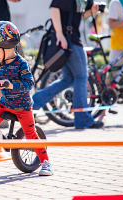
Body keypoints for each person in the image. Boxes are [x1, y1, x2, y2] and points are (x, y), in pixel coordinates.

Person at [0, 21, 53, 176]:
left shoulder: (22, 64)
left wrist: (10, 84)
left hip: (22, 106)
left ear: (8, 47)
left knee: (30, 134)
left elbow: (28, 84)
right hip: (5, 104)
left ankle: (46, 162)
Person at [32, 0, 104, 129]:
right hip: (69, 40)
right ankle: (82, 119)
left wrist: (91, 12)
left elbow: (76, 15)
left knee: (68, 79)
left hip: (68, 40)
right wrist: (60, 34)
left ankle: (33, 103)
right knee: (81, 78)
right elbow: (54, 7)